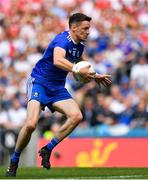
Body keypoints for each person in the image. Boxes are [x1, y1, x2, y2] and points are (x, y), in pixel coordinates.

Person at [6, 13, 111, 177]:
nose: (88, 32)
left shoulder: (79, 46)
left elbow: (80, 62)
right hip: (39, 83)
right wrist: (77, 70)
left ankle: (47, 149)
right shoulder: (62, 40)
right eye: (85, 28)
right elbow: (58, 60)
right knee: (31, 124)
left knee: (76, 116)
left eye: (89, 28)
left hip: (57, 88)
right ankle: (14, 160)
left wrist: (95, 75)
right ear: (73, 28)